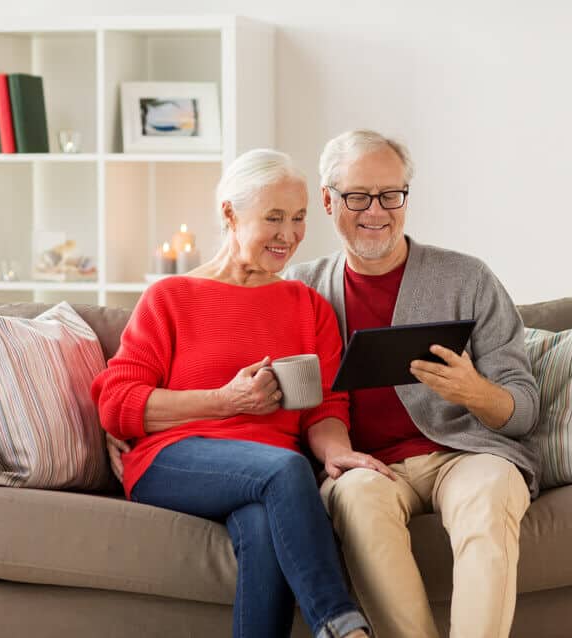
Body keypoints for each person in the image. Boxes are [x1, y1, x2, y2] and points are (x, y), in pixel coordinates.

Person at [92, 149, 389, 638]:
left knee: (263, 529)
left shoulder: (307, 307)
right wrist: (227, 401)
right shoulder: (170, 297)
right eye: (273, 218)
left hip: (266, 476)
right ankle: (341, 625)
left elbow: (327, 407)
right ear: (230, 213)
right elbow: (117, 403)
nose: (289, 235)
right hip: (175, 460)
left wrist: (339, 455)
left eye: (298, 219)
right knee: (285, 469)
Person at [282, 130, 542, 638]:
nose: (375, 211)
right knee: (355, 500)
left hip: (465, 455)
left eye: (391, 195)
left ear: (406, 196)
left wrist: (474, 391)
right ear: (327, 199)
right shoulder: (300, 287)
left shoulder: (467, 278)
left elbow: (525, 407)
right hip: (365, 466)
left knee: (490, 493)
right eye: (357, 196)